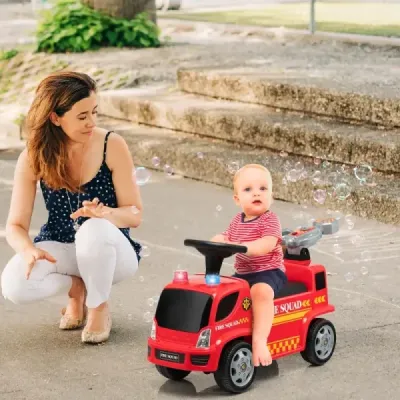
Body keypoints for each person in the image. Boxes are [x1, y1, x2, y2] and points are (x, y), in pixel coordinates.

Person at [1, 71, 143, 344]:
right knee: (15, 286)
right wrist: (28, 250)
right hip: (61, 247)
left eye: (94, 112)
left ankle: (98, 306)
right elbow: (15, 225)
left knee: (93, 230)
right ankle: (78, 287)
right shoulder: (34, 156)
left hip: (111, 252)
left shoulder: (111, 145)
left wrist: (106, 214)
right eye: (82, 116)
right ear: (55, 117)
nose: (92, 122)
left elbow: (134, 215)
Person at [211, 163, 287, 367]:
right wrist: (218, 240)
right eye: (248, 189)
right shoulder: (237, 220)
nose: (257, 193)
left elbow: (266, 244)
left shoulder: (270, 220)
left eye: (263, 189)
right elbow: (228, 237)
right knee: (223, 293)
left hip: (269, 271)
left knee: (260, 292)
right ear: (237, 199)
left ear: (271, 195)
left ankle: (260, 341)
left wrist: (242, 246)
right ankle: (224, 332)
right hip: (243, 273)